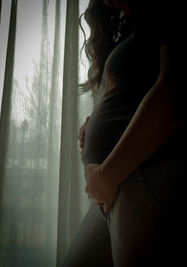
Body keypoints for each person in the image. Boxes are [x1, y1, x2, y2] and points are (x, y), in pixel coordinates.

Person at [62, 0, 186, 266]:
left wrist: (107, 177)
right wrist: (95, 119)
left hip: (141, 175)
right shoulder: (133, 29)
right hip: (116, 188)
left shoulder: (166, 11)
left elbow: (175, 92)